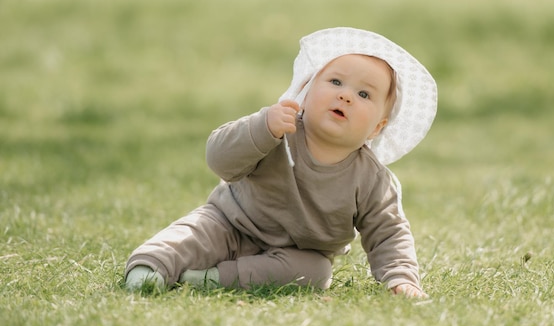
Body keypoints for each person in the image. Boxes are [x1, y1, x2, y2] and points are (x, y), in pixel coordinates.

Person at [125, 27, 437, 298]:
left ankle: (211, 280)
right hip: (231, 222)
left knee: (315, 273)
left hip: (298, 253)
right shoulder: (278, 130)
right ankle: (150, 267)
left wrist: (401, 277)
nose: (346, 97)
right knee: (194, 234)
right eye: (336, 82)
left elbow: (388, 233)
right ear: (308, 89)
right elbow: (218, 159)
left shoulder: (371, 180)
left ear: (378, 127)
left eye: (364, 94)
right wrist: (262, 128)